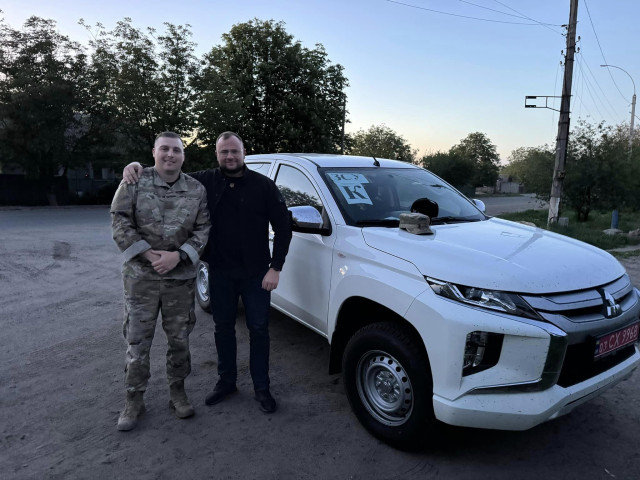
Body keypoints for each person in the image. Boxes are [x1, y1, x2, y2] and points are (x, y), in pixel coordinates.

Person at [123, 131, 292, 413]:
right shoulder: (204, 181)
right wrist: (135, 166)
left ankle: (262, 387)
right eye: (224, 152)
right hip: (220, 272)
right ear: (217, 154)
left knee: (259, 330)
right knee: (223, 328)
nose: (230, 156)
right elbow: (169, 171)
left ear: (244, 153)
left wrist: (276, 267)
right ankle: (227, 382)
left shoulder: (263, 186)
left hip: (256, 274)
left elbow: (284, 227)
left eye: (234, 151)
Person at [111, 131, 210, 431]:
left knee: (179, 340)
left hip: (179, 280)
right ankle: (134, 399)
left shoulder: (196, 189)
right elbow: (119, 219)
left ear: (183, 155)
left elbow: (203, 228)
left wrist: (178, 256)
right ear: (154, 152)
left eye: (176, 150)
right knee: (137, 342)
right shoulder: (134, 181)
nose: (170, 155)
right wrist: (148, 254)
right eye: (164, 149)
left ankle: (177, 392)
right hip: (141, 279)